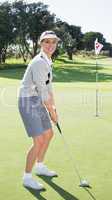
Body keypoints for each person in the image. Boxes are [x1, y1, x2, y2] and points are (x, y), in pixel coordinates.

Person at [18, 31, 60, 190]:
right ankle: (27, 177)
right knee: (39, 140)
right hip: (28, 101)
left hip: (37, 100)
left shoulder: (48, 61)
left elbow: (49, 88)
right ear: (41, 43)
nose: (50, 45)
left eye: (53, 42)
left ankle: (40, 167)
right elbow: (43, 92)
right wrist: (52, 112)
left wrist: (54, 108)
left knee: (49, 134)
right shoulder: (38, 62)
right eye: (47, 42)